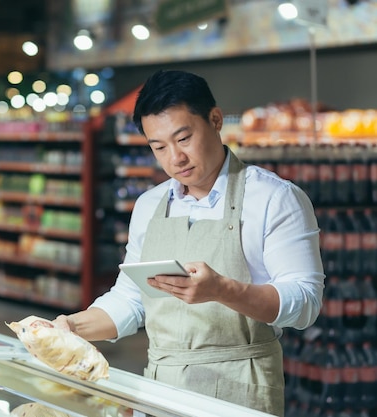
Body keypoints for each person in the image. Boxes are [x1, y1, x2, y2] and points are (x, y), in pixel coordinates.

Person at [54, 69, 325, 416]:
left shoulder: (273, 198)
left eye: (183, 139)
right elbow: (133, 299)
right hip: (160, 387)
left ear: (214, 120)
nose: (174, 158)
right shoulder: (149, 206)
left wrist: (223, 290)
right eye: (159, 147)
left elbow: (304, 303)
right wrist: (70, 327)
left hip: (240, 388)